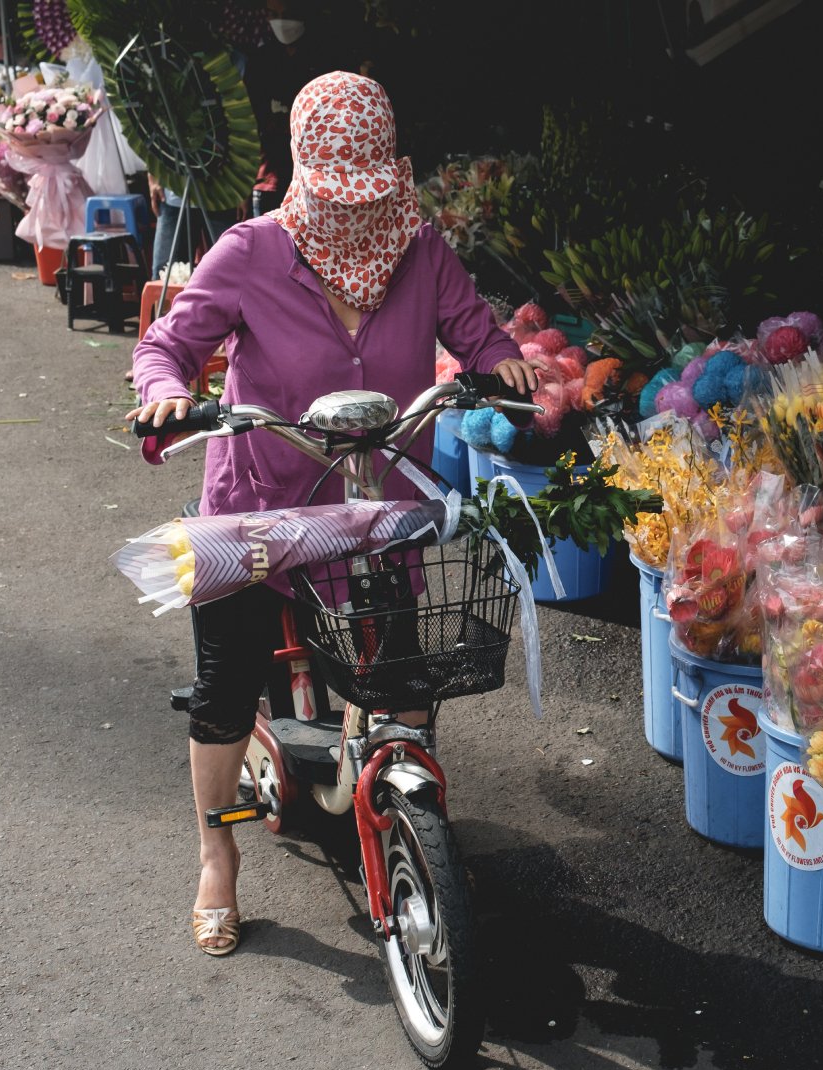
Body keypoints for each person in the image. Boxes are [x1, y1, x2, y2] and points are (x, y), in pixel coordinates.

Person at [126, 72, 539, 957]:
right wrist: (166, 393)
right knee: (225, 688)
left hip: (376, 503)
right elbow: (169, 346)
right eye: (341, 195)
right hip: (258, 508)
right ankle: (216, 853)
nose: (360, 215)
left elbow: (477, 332)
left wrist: (502, 363)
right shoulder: (248, 251)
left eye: (375, 194)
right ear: (305, 175)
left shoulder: (422, 250)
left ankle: (390, 792)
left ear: (393, 174)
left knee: (399, 675)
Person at [241, 0, 338, 217]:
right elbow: (247, 126)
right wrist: (244, 186)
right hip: (271, 178)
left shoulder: (326, 57)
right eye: (274, 14)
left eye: (288, 14)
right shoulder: (260, 61)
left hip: (319, 180)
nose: (281, 21)